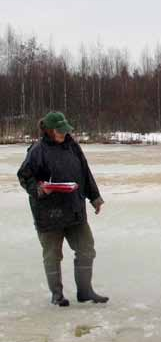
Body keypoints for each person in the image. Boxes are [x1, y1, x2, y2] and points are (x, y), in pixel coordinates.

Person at [17, 111, 109, 306]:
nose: (63, 134)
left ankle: (85, 291)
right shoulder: (37, 150)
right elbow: (24, 176)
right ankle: (57, 295)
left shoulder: (72, 146)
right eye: (59, 131)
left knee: (86, 248)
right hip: (48, 213)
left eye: (65, 130)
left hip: (74, 209)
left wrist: (95, 197)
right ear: (49, 131)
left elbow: (85, 171)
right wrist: (40, 189)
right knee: (53, 255)